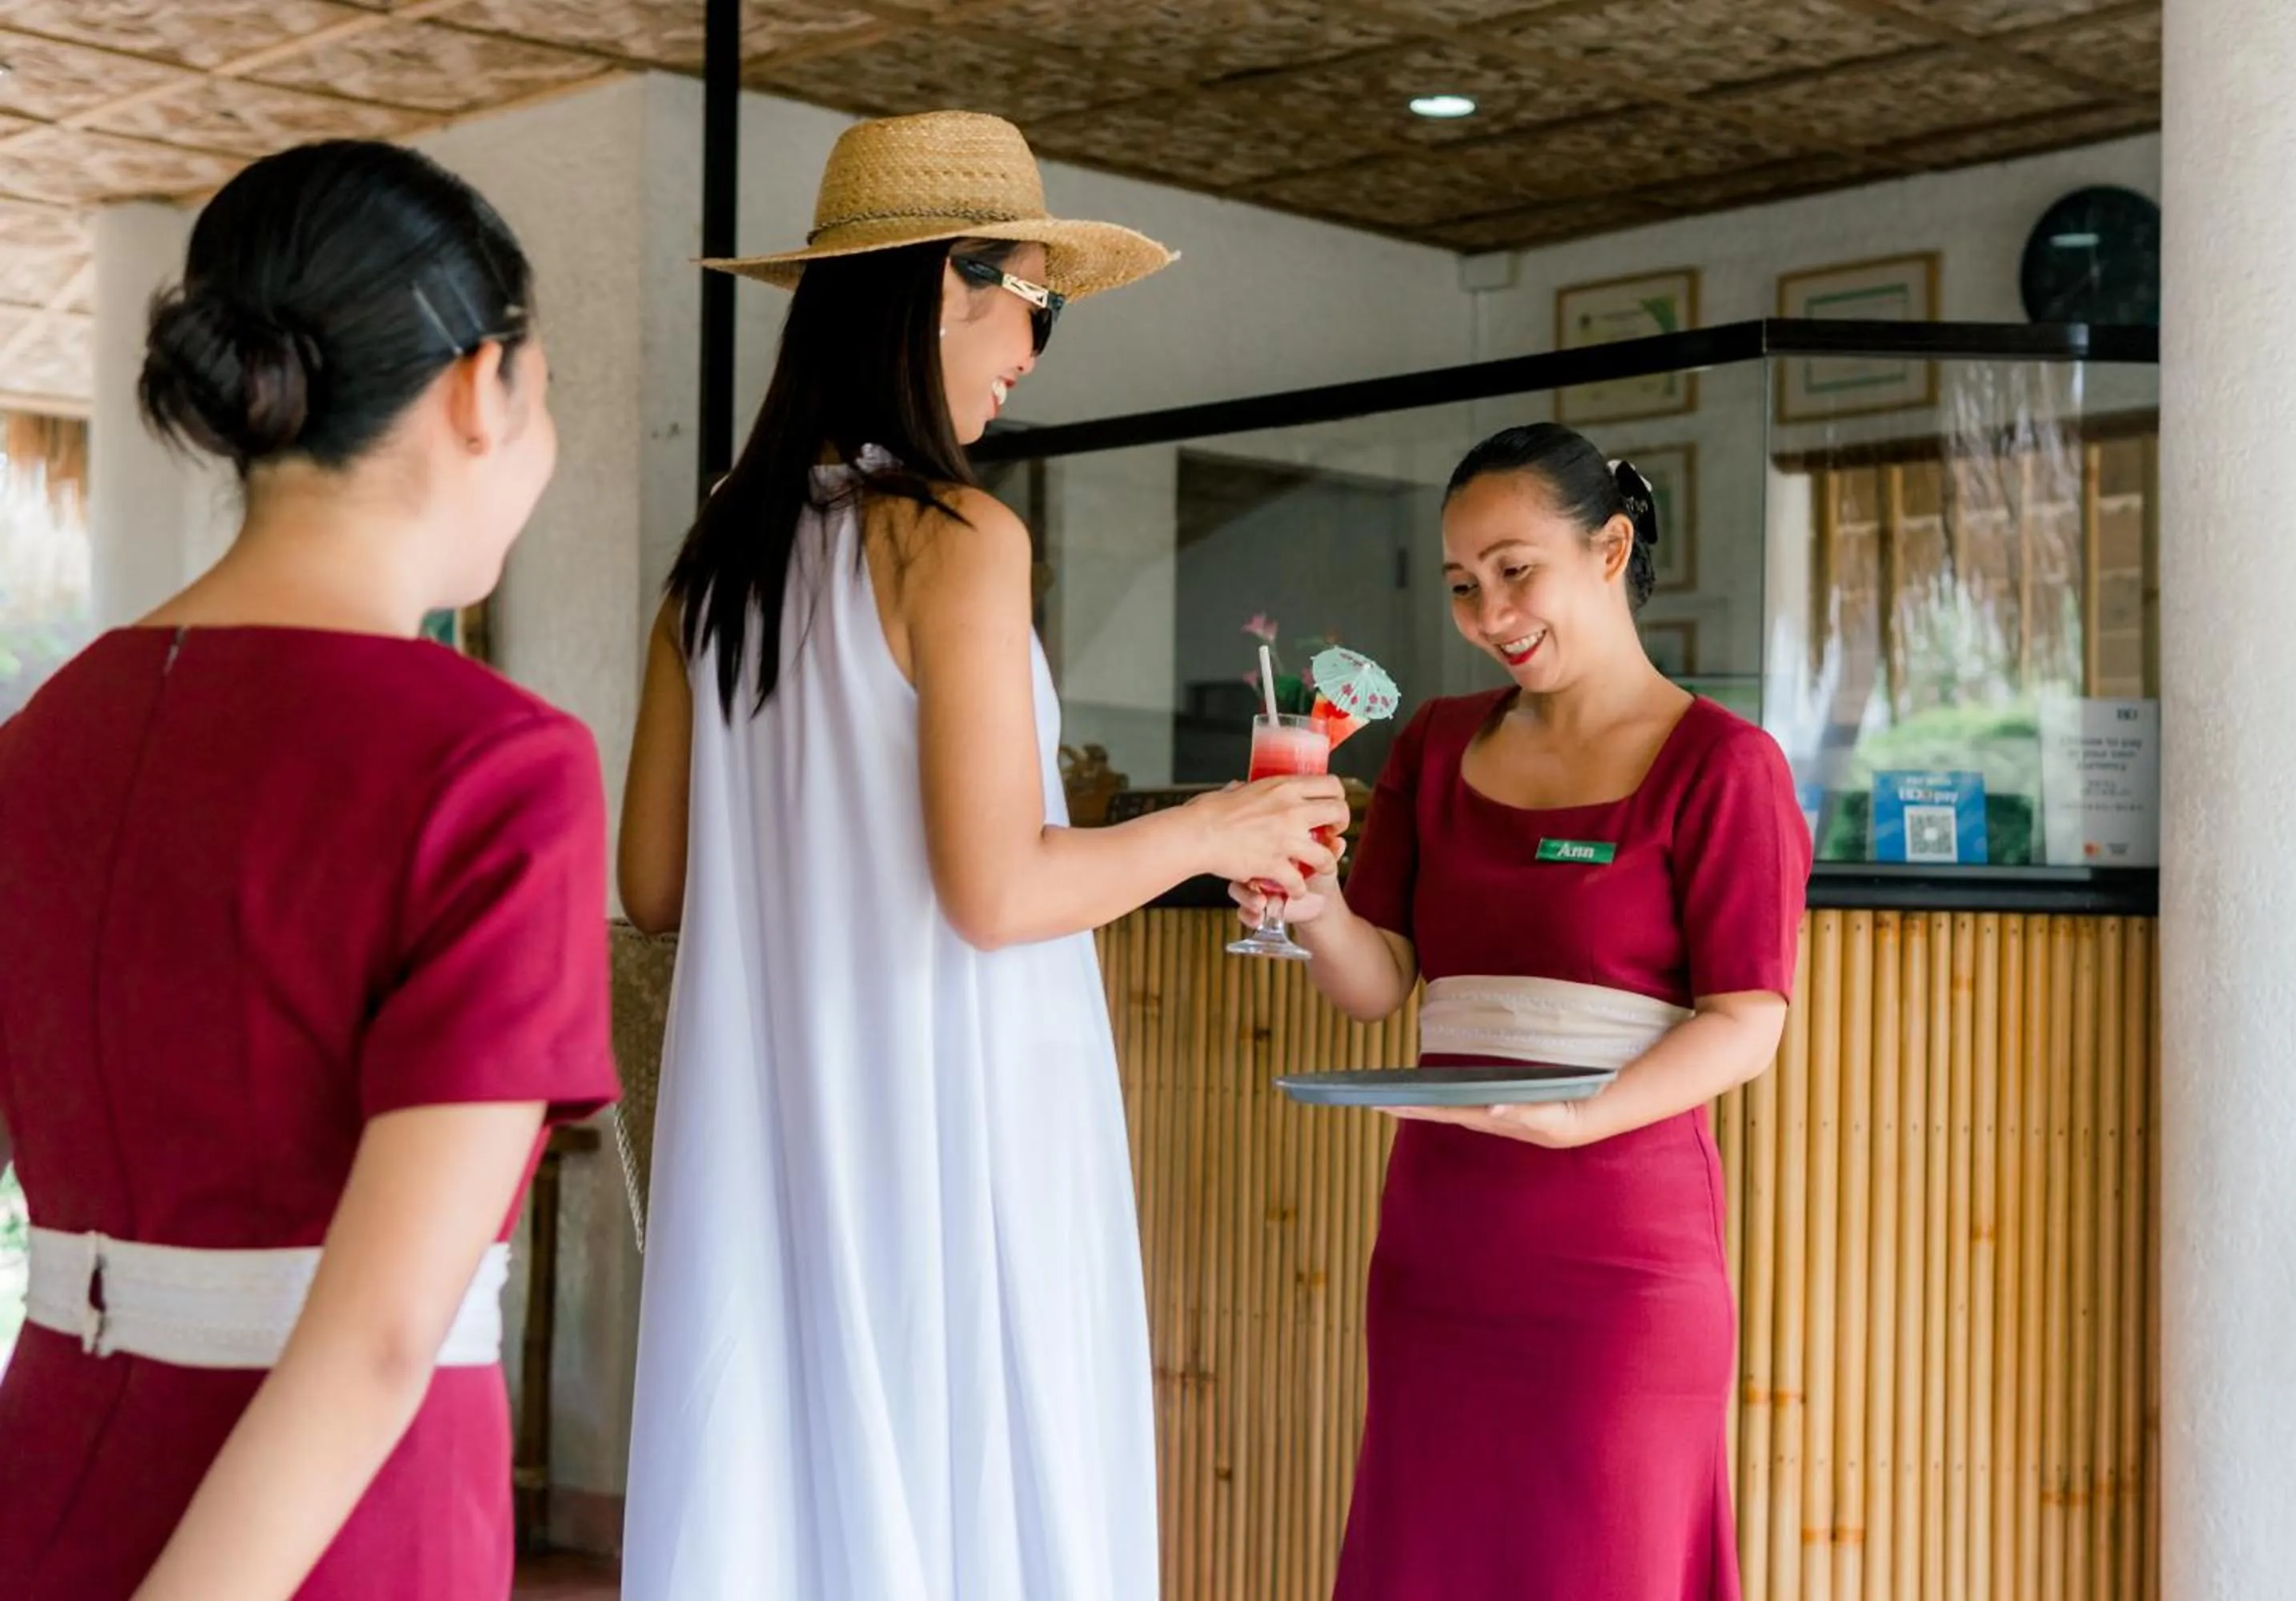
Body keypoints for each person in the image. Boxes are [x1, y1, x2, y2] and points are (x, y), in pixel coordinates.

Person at [616, 110, 1349, 1601]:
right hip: (954, 1108)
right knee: (994, 1501)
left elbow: (653, 887)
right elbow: (1001, 893)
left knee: (792, 1499)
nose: (1033, 347)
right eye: (1038, 299)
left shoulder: (722, 554)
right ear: (950, 280)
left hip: (771, 1131)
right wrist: (1223, 825)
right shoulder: (954, 535)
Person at [0, 140, 617, 1599]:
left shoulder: (41, 735)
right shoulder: (499, 764)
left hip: (49, 1467)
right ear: (484, 387)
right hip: (334, 1530)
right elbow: (383, 1329)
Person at [1233, 423, 1810, 1599]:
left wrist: (1582, 1122)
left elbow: (1748, 1017)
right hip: (1443, 1242)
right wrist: (1315, 904)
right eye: (1460, 584)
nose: (1489, 611)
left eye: (1513, 569)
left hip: (1622, 1256)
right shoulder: (1437, 747)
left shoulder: (1725, 764)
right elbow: (1382, 986)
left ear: (1608, 549)